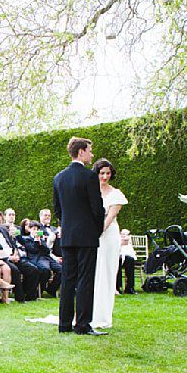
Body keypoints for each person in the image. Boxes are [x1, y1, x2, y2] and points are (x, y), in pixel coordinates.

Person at [53, 137, 106, 335]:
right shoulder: (89, 176)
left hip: (68, 236)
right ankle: (82, 324)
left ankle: (64, 324)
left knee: (68, 279)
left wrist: (68, 225)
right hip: (86, 235)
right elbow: (97, 208)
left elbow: (58, 210)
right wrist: (97, 229)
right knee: (85, 279)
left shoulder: (59, 178)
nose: (92, 155)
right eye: (90, 151)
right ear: (81, 151)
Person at [90, 158, 128, 329]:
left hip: (109, 236)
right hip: (92, 235)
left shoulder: (116, 194)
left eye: (108, 173)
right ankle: (88, 312)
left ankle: (103, 316)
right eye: (101, 173)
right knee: (93, 273)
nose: (105, 176)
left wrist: (98, 232)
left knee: (107, 273)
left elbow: (111, 216)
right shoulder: (91, 192)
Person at [0, 210, 42, 303]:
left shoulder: (4, 230)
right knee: (15, 271)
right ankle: (20, 298)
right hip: (2, 259)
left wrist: (16, 254)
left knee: (33, 269)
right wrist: (9, 258)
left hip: (14, 256)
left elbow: (13, 244)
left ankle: (30, 296)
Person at [34, 209, 63, 297]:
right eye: (45, 215)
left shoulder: (54, 229)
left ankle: (51, 289)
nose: (47, 217)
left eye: (49, 215)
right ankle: (40, 289)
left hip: (55, 255)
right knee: (45, 270)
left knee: (63, 270)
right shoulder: (38, 229)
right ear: (40, 217)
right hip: (43, 255)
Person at [116, 229, 137, 294]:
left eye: (125, 234)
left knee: (130, 260)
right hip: (117, 257)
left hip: (126, 257)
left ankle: (130, 287)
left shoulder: (128, 243)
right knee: (118, 262)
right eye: (122, 234)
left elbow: (131, 253)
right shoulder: (117, 239)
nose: (124, 236)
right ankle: (118, 287)